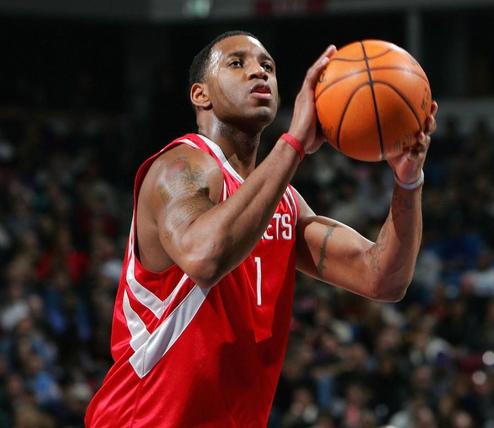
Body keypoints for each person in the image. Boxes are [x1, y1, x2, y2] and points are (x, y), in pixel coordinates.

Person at [84, 30, 437, 427]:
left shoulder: (282, 202)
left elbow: (383, 278)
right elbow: (205, 257)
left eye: (267, 65)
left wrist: (408, 182)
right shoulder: (178, 168)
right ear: (201, 95)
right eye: (237, 63)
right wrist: (294, 143)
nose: (258, 72)